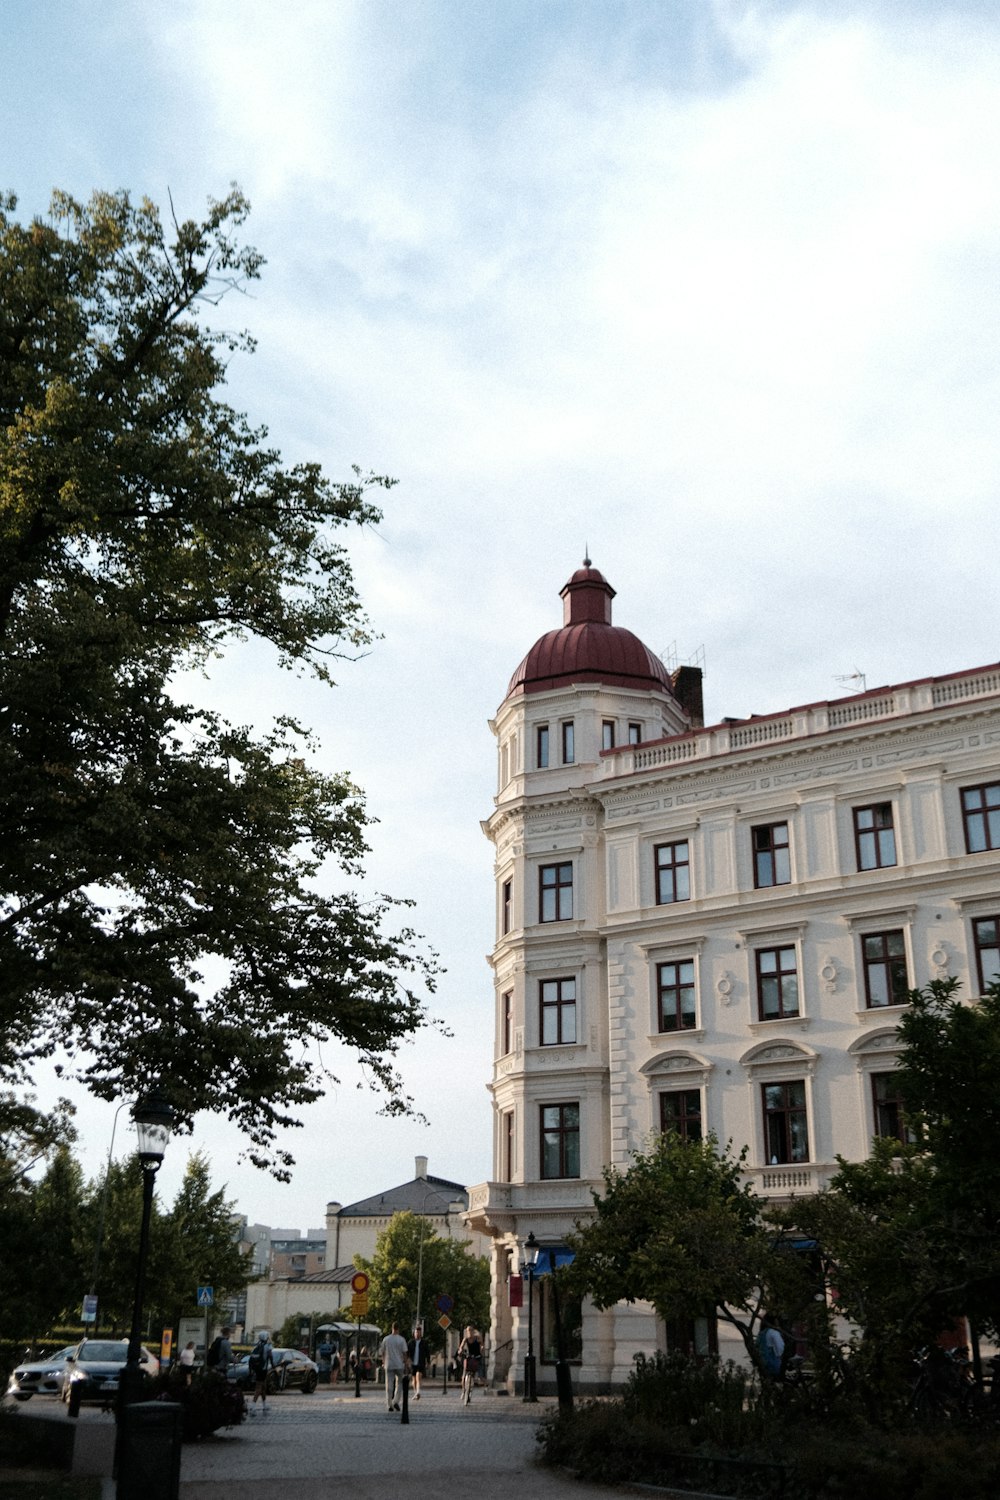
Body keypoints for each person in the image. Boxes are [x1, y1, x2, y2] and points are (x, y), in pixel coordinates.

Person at [377, 1322, 409, 1412]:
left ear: (392, 1328)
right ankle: (396, 1401)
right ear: (398, 1329)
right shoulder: (401, 1340)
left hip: (389, 1364)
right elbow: (404, 1353)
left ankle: (389, 1404)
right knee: (399, 1384)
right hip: (399, 1364)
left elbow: (382, 1352)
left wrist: (383, 1361)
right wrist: (406, 1364)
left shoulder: (386, 1339)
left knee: (389, 1385)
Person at [248, 1333, 275, 1411]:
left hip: (257, 1369)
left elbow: (251, 1359)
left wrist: (251, 1370)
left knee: (263, 1387)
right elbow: (270, 1356)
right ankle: (253, 1405)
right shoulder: (267, 1346)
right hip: (263, 1369)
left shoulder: (256, 1346)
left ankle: (264, 1404)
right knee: (259, 1387)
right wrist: (273, 1365)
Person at [457, 1325, 482, 1404]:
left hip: (475, 1358)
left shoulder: (477, 1338)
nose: (469, 1332)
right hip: (468, 1358)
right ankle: (464, 1391)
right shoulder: (466, 1339)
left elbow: (482, 1344)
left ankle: (470, 1391)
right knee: (464, 1376)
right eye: (468, 1331)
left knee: (473, 1376)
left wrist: (482, 1348)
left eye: (471, 1330)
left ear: (473, 1331)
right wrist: (460, 1351)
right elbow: (461, 1347)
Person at [757, 1313, 785, 1379]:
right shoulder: (774, 1332)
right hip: (773, 1364)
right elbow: (780, 1349)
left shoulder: (762, 1332)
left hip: (762, 1364)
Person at [407, 1325, 428, 1400]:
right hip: (413, 1363)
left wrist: (428, 1362)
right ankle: (415, 1392)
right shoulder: (410, 1342)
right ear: (414, 1333)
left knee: (418, 1376)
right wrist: (407, 1360)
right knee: (414, 1379)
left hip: (420, 1362)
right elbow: (407, 1353)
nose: (417, 1334)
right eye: (416, 1332)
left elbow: (427, 1353)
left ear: (421, 1333)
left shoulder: (424, 1342)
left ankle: (418, 1392)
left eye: (419, 1332)